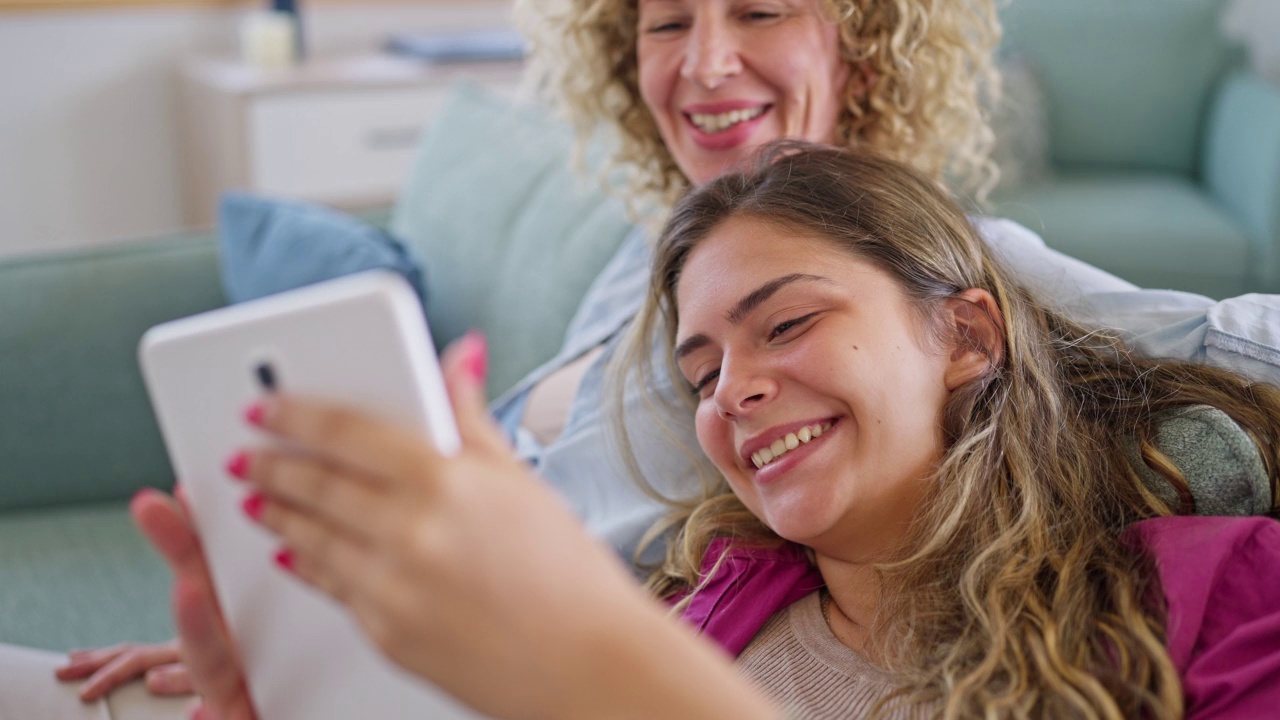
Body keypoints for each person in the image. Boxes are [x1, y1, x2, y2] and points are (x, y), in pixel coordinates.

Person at [23, 0, 1280, 713]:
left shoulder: (957, 273)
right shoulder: (651, 267)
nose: (704, 60)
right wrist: (309, 632)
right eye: (664, 21)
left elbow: (1228, 339)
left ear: (863, 37)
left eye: (758, 10)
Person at [205, 143, 1280, 719]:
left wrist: (602, 673)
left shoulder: (1215, 600)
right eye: (701, 368)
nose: (731, 392)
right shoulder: (703, 610)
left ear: (963, 335)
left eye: (789, 323)